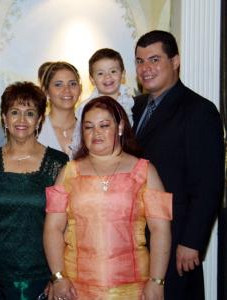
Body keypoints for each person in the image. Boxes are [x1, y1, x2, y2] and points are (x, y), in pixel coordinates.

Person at [44, 96, 172, 300]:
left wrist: (157, 281)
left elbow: (160, 230)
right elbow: (53, 228)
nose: (96, 133)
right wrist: (58, 277)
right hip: (75, 288)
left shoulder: (145, 171)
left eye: (104, 125)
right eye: (89, 127)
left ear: (120, 126)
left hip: (133, 288)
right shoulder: (68, 172)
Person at [132, 30, 224, 299]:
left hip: (177, 239)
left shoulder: (199, 110)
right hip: (136, 238)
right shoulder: (133, 107)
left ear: (175, 61)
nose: (145, 68)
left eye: (154, 59)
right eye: (139, 61)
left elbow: (209, 184)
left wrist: (192, 242)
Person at [0, 81, 69, 299]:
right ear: (4, 118)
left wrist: (58, 276)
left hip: (43, 276)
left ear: (40, 119)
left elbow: (67, 226)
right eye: (14, 112)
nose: (22, 120)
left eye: (30, 113)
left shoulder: (58, 163)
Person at [76, 48, 134, 124]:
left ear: (122, 75)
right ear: (92, 79)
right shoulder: (85, 107)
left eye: (113, 71)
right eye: (100, 73)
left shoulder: (130, 102)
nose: (107, 76)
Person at [37, 61, 82, 158]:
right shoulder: (35, 130)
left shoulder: (88, 129)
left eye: (73, 84)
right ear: (46, 92)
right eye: (58, 85)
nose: (67, 90)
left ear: (80, 89)